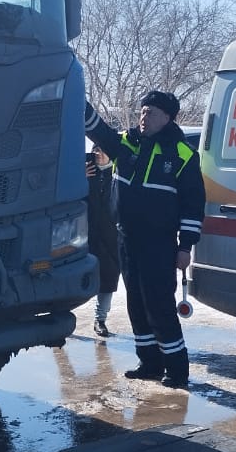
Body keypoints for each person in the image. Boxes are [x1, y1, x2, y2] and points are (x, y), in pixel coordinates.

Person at [85, 91, 205, 389]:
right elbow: (97, 128)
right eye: (142, 111)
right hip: (126, 237)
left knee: (159, 304)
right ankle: (149, 362)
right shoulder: (126, 143)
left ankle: (177, 370)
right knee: (136, 303)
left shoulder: (182, 153)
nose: (143, 116)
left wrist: (185, 246)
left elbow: (194, 204)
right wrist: (75, 98)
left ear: (166, 117)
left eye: (150, 112)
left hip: (159, 242)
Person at [86, 144, 120, 337]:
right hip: (85, 234)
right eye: (96, 150)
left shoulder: (116, 174)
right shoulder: (85, 172)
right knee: (76, 276)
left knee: (107, 278)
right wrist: (79, 178)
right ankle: (62, 314)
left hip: (110, 236)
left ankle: (100, 319)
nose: (99, 154)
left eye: (103, 150)